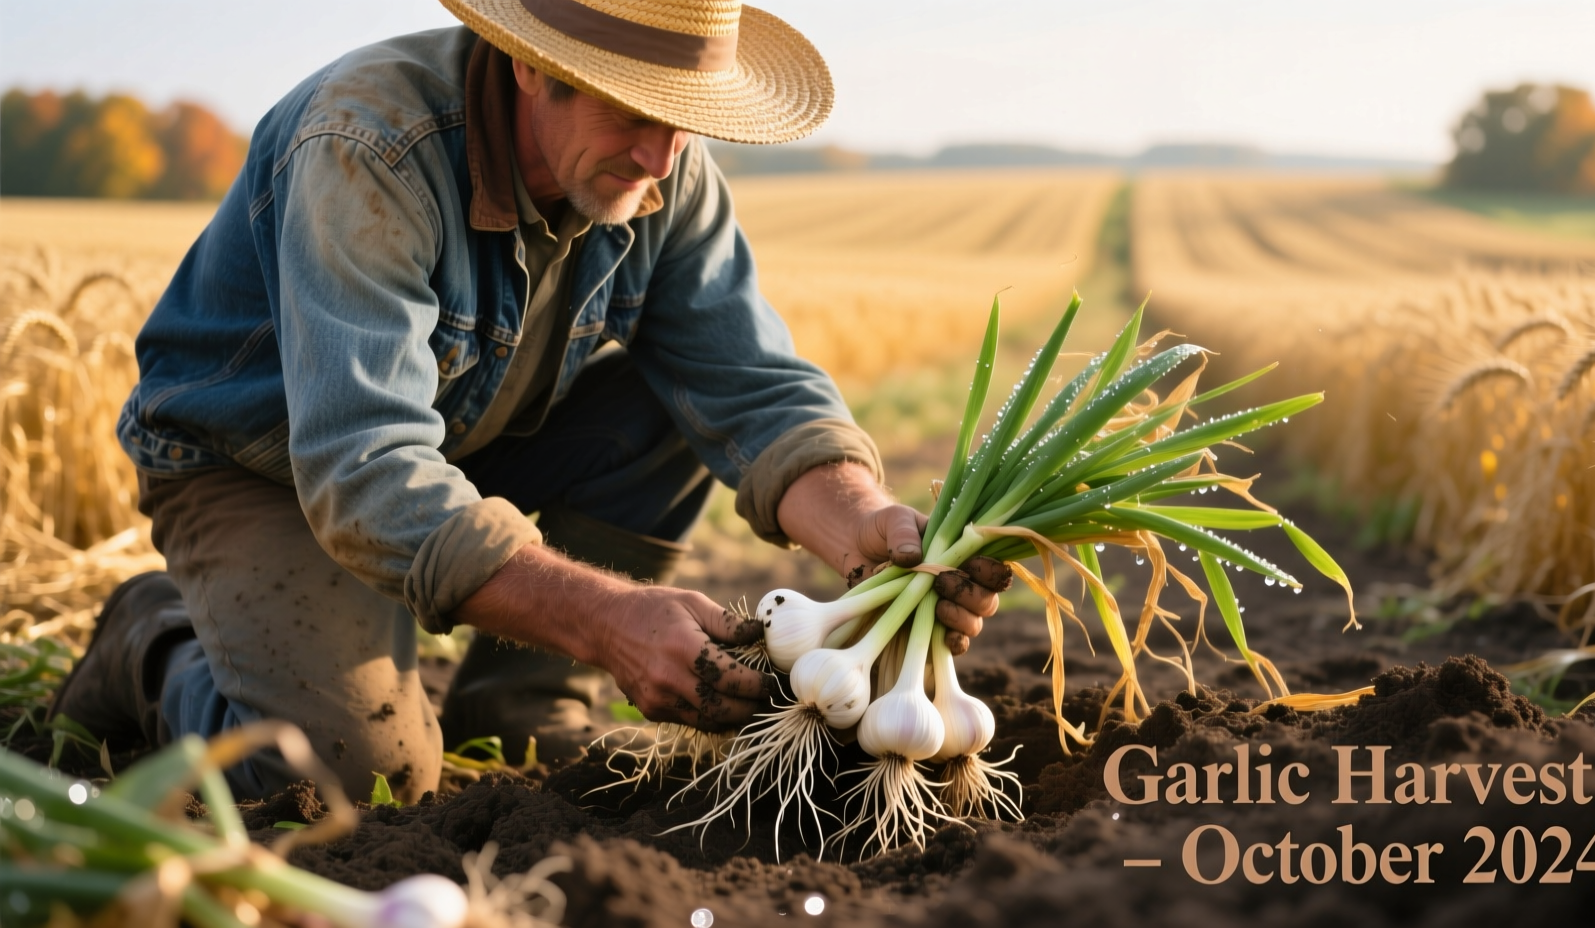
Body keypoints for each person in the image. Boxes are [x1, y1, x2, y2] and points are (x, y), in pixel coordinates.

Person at [51, 0, 1007, 803]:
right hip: (259, 463)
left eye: (686, 117)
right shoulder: (367, 146)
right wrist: (609, 619)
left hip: (465, 434)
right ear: (526, 63)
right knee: (342, 778)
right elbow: (365, 470)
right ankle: (157, 635)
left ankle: (519, 704)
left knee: (661, 400)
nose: (661, 156)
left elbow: (749, 387)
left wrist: (868, 530)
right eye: (633, 108)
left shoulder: (660, 174)